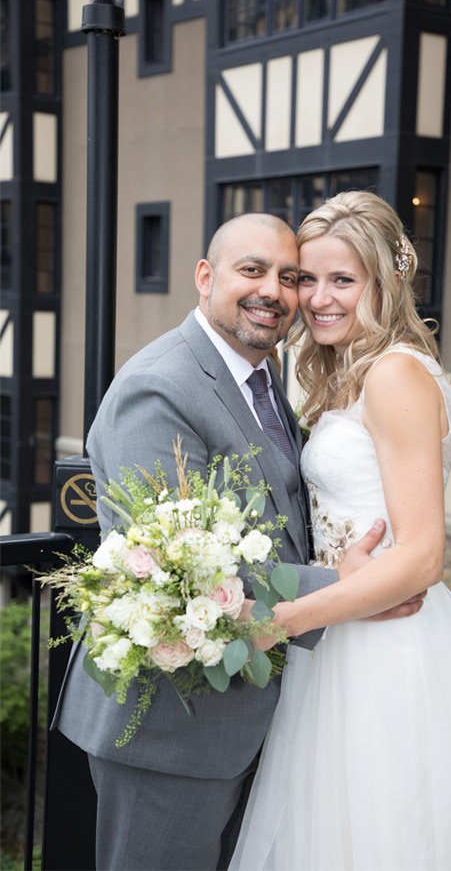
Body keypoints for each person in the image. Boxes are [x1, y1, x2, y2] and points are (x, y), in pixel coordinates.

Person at [229, 190, 451, 870]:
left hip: (384, 647)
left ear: (387, 281)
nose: (319, 299)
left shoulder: (394, 376)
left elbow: (421, 557)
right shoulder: (349, 372)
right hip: (346, 629)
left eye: (343, 280)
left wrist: (279, 621)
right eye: (309, 279)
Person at [54, 214, 419, 871]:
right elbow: (178, 574)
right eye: (252, 270)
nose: (275, 292)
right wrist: (352, 589)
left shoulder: (263, 378)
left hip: (256, 710)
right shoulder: (159, 389)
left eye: (290, 277)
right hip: (170, 731)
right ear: (205, 277)